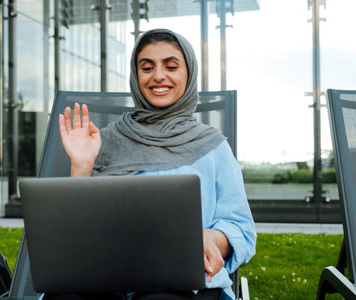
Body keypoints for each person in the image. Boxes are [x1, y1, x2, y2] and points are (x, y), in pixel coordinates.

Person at [58, 28, 256, 300]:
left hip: (181, 283)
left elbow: (241, 228)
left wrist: (211, 238)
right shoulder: (101, 142)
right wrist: (81, 166)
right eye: (147, 67)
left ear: (189, 74)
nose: (158, 76)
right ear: (135, 75)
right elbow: (75, 236)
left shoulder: (213, 146)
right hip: (106, 279)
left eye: (171, 66)